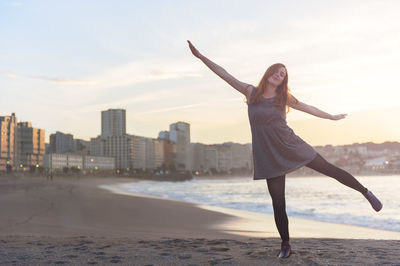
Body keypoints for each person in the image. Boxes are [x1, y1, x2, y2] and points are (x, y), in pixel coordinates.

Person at [187, 40, 383, 259]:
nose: (279, 74)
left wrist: (331, 116)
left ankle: (366, 192)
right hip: (268, 154)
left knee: (329, 169)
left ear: (284, 80)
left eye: (283, 73)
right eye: (277, 71)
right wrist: (202, 57)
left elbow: (308, 107)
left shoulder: (284, 98)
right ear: (268, 73)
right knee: (278, 201)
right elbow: (225, 74)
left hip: (291, 145)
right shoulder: (251, 92)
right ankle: (286, 245)